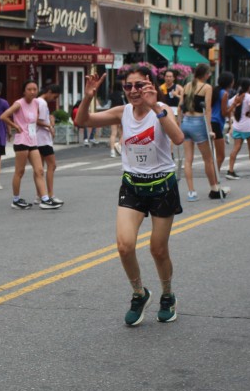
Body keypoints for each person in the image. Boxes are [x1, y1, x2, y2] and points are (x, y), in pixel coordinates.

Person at [73, 66, 184, 326]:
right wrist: (88, 97)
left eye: (139, 85)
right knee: (124, 246)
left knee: (158, 249)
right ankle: (139, 293)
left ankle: (167, 295)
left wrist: (155, 107)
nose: (134, 91)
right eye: (128, 86)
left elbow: (178, 138)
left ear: (151, 85)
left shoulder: (162, 110)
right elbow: (82, 121)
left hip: (162, 186)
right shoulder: (122, 112)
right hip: (132, 185)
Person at [0, 80, 59, 210]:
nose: (32, 92)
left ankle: (45, 199)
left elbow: (36, 120)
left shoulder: (36, 103)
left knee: (39, 170)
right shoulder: (19, 103)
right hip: (22, 141)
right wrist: (15, 126)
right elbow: (3, 116)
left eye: (34, 89)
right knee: (20, 171)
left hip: (33, 141)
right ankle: (16, 200)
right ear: (24, 91)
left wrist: (49, 123)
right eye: (29, 89)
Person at [179, 63, 227, 200]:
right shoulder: (207, 87)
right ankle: (214, 188)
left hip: (186, 122)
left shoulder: (186, 86)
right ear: (205, 74)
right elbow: (208, 109)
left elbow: (180, 106)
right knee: (208, 159)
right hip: (199, 123)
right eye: (209, 73)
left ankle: (191, 192)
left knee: (188, 160)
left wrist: (179, 124)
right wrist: (210, 130)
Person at [36, 83, 64, 206]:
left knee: (39, 169)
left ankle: (40, 195)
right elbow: (38, 120)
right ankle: (50, 194)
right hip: (43, 139)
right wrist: (50, 125)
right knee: (52, 166)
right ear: (49, 92)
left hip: (37, 139)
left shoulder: (37, 101)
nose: (54, 99)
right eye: (55, 96)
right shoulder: (42, 103)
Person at [209, 72, 235, 174]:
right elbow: (224, 112)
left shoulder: (215, 91)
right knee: (221, 155)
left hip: (211, 122)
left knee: (214, 154)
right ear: (230, 82)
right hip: (216, 123)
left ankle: (214, 176)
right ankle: (215, 176)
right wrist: (234, 104)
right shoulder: (224, 94)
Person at [107, 83, 124, 158]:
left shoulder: (111, 95)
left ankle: (112, 151)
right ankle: (120, 146)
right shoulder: (122, 95)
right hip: (121, 114)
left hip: (112, 114)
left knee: (113, 133)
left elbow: (108, 105)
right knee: (122, 132)